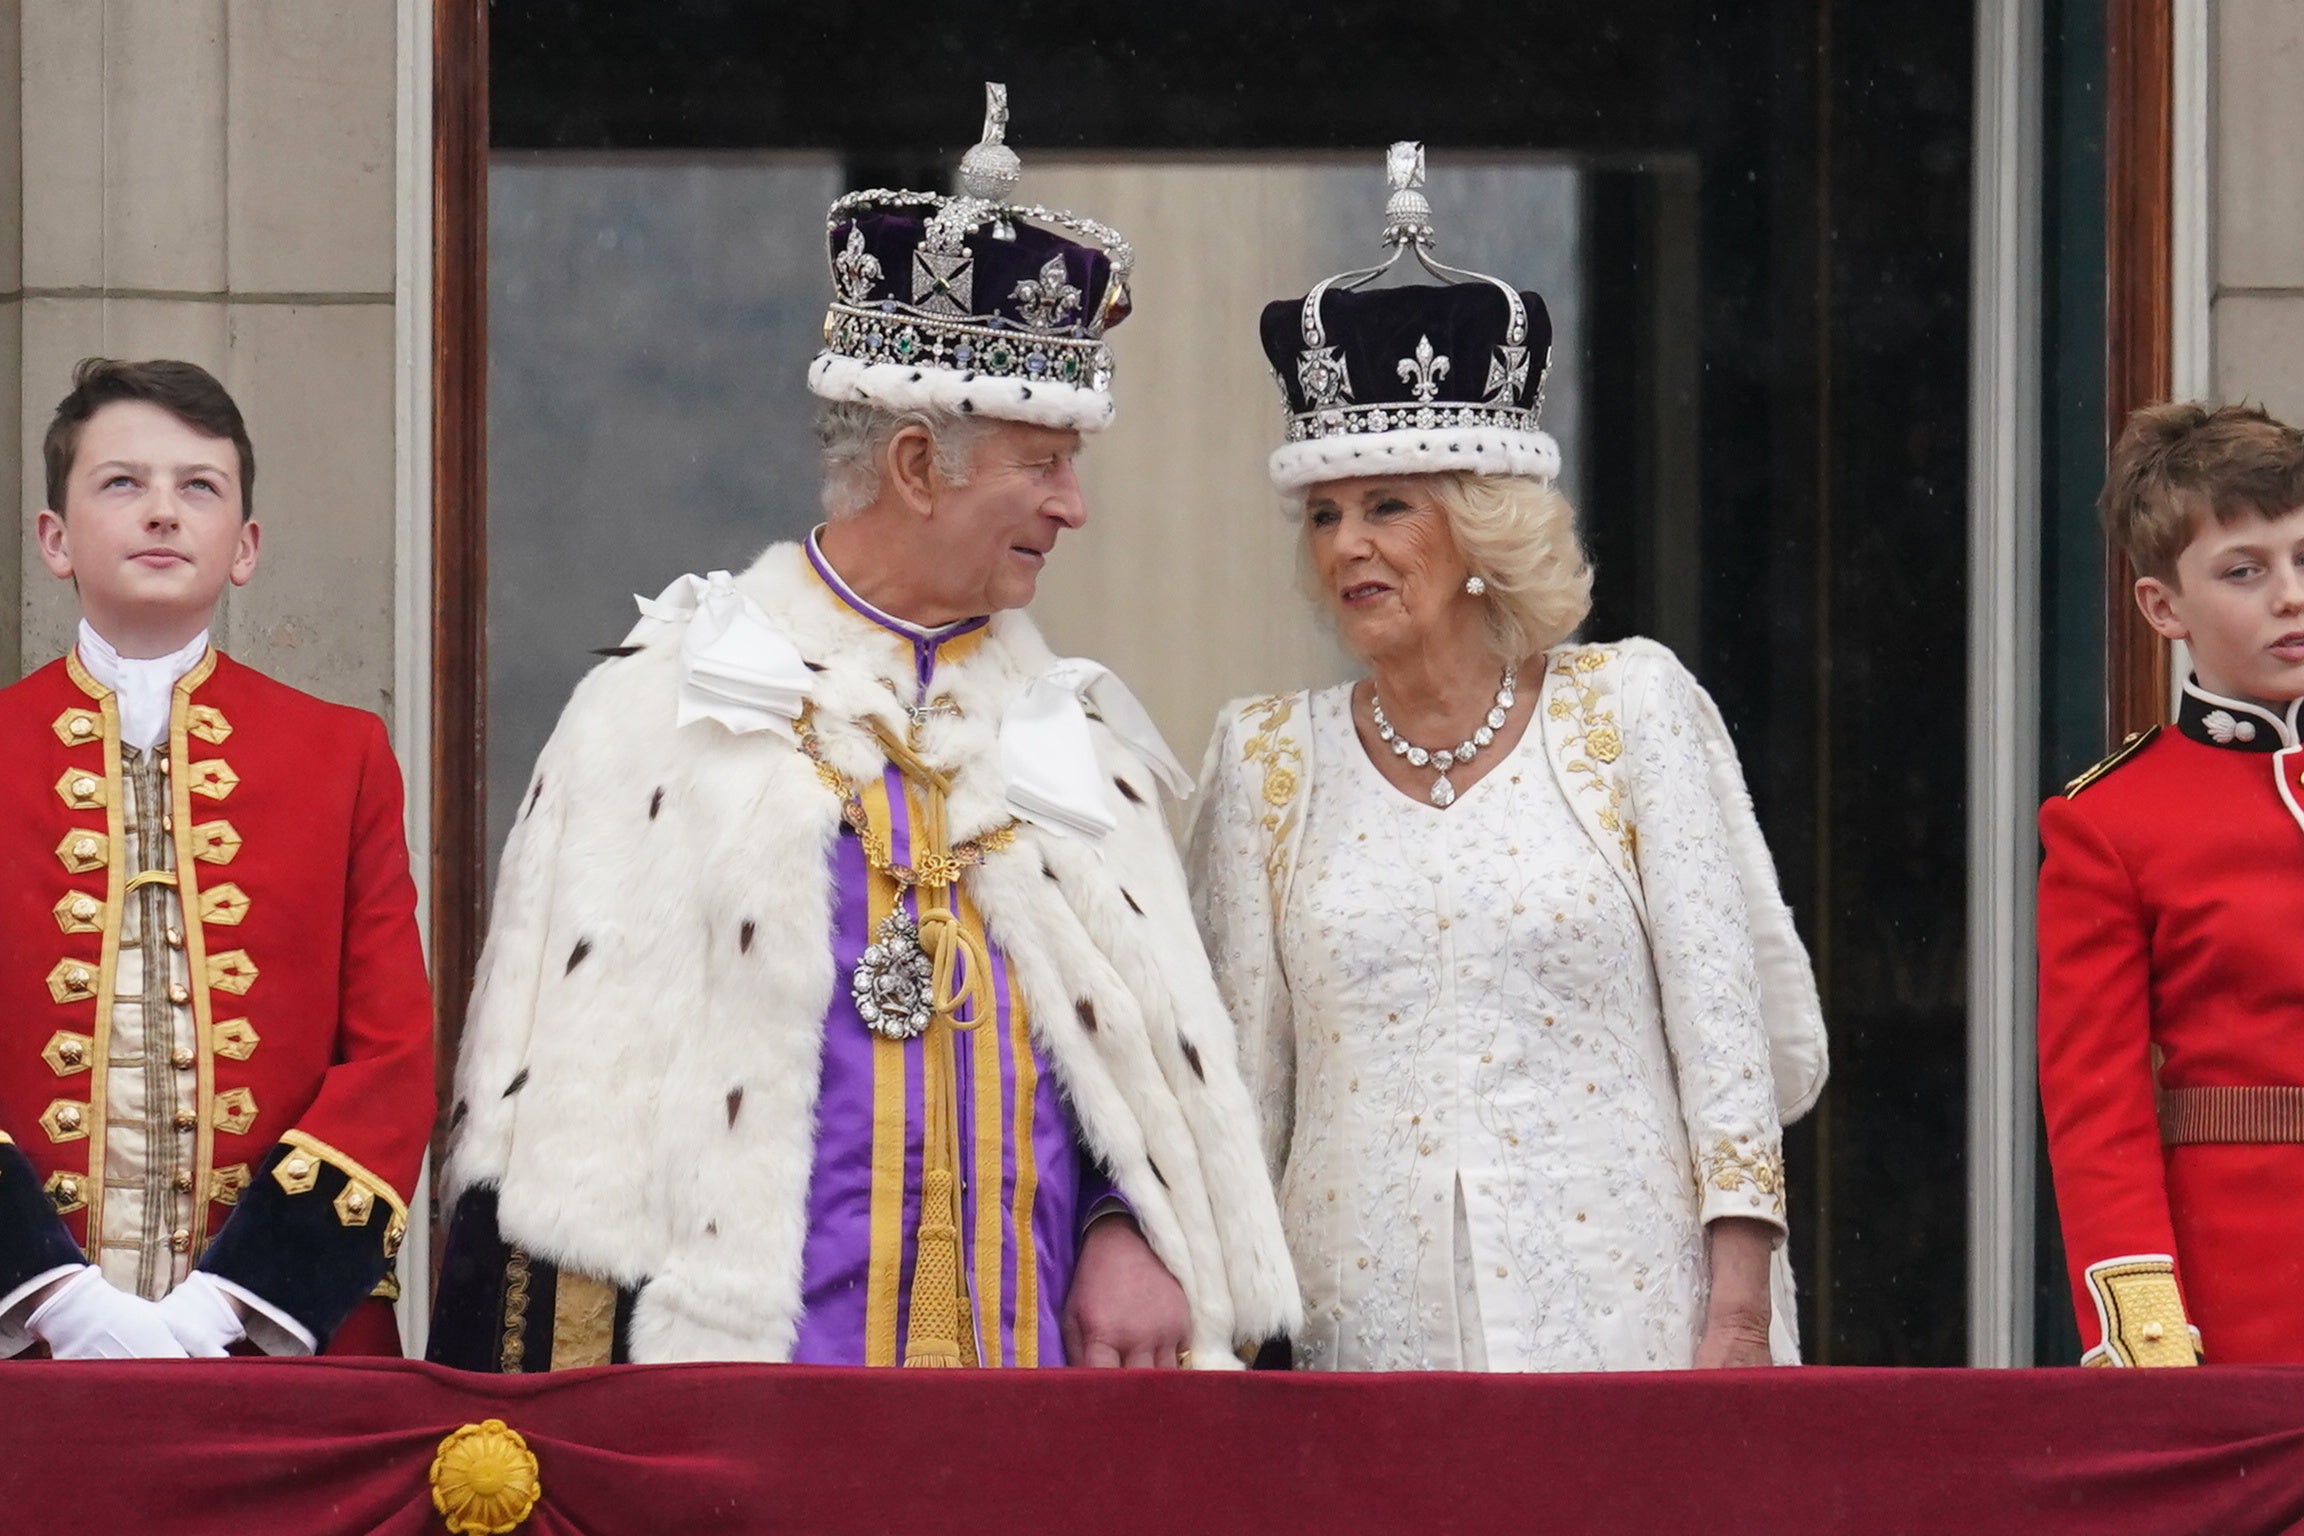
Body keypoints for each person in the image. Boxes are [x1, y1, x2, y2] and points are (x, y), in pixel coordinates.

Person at [428, 86, 1296, 1372]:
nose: (1074, 507)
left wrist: (1129, 1222)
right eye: (1042, 462)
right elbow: (557, 1116)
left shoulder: (1079, 742)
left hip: (1034, 1405)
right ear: (913, 464)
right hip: (747, 1405)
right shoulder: (663, 701)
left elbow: (1133, 1077)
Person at [1186, 144, 1826, 1372]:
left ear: (1482, 522)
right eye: (1324, 513)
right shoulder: (1266, 759)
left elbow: (1731, 1042)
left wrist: (1738, 1320)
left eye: (1389, 506)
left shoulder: (1630, 709)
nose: (1346, 547)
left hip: (1629, 1326)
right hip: (1363, 1350)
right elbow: (1241, 1099)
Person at [0, 358, 435, 1360]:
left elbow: (392, 1058)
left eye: (198, 487)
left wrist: (232, 1302)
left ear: (244, 547)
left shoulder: (344, 754)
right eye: (123, 483)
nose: (162, 513)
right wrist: (49, 1295)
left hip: (277, 1343)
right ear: (53, 539)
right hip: (20, 1345)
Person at [2038, 401, 2304, 1367]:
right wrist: (2149, 1336)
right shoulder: (2112, 821)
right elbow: (2096, 1109)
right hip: (2247, 1300)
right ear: (2163, 608)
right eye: (2245, 572)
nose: (2290, 597)